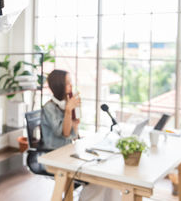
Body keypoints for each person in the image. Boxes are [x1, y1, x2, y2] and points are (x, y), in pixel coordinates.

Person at [41, 69, 121, 201]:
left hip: (68, 151)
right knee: (98, 178)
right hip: (55, 154)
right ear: (59, 85)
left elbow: (74, 133)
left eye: (71, 82)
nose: (71, 86)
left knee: (107, 175)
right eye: (67, 83)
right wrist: (68, 110)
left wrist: (75, 114)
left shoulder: (65, 104)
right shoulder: (49, 108)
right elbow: (65, 133)